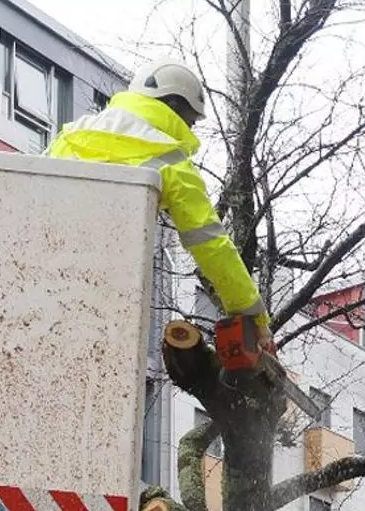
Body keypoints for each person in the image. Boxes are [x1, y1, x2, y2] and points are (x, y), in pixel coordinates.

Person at [48, 61, 273, 349]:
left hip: (46, 274)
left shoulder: (71, 133)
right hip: (109, 288)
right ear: (172, 104)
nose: (190, 130)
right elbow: (212, 245)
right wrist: (254, 314)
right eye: (190, 121)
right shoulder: (171, 159)